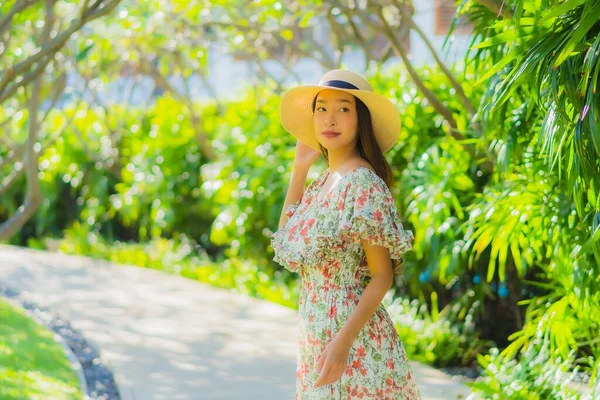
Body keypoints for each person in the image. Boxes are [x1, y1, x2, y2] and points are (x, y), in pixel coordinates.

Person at [270, 69, 421, 399]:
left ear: (360, 119)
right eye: (321, 109)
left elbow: (382, 276)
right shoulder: (322, 182)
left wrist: (342, 343)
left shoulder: (362, 184)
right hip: (315, 334)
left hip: (355, 342)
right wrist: (299, 168)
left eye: (343, 109)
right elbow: (284, 246)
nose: (330, 119)